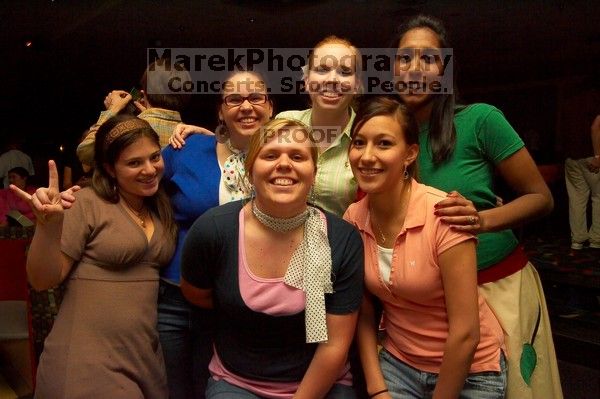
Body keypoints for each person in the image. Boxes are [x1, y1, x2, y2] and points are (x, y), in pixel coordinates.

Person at [391, 15, 561, 398]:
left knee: (517, 389)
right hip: (429, 304)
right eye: (404, 59)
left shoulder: (480, 119)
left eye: (428, 58)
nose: (414, 69)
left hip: (498, 286)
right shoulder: (389, 136)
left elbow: (541, 198)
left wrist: (480, 219)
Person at [180, 118, 364, 398]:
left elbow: (335, 346)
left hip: (323, 382)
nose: (284, 164)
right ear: (250, 169)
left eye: (298, 156)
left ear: (314, 173)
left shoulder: (342, 239)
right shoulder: (213, 230)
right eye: (270, 155)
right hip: (237, 382)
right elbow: (198, 295)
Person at [345, 96, 506, 399]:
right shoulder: (353, 218)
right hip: (399, 364)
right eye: (358, 142)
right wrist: (377, 388)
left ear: (409, 154)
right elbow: (363, 314)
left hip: (470, 371)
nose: (366, 156)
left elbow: (466, 333)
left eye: (383, 144)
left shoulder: (444, 214)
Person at [12, 115, 177, 398]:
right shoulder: (87, 203)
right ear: (111, 169)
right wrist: (47, 227)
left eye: (154, 157)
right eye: (134, 163)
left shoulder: (160, 208)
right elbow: (41, 280)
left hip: (144, 359)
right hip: (86, 361)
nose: (150, 169)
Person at [159, 69, 273, 399]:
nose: (246, 106)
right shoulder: (188, 149)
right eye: (234, 99)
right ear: (221, 110)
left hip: (237, 305)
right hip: (174, 300)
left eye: (255, 97)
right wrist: (83, 194)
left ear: (270, 107)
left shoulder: (283, 158)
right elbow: (137, 180)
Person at [272, 35, 361, 217]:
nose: (332, 79)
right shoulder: (285, 123)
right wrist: (206, 139)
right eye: (322, 70)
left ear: (357, 85)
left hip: (341, 242)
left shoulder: (365, 136)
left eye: (344, 72)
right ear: (306, 80)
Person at [77, 58, 191, 165]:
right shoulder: (192, 135)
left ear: (143, 93)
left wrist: (112, 110)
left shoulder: (127, 129)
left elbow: (85, 152)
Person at [565, 114, 600, 250]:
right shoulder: (595, 100)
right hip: (591, 157)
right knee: (598, 197)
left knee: (576, 199)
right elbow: (595, 126)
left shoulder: (570, 102)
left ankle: (577, 240)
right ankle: (596, 240)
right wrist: (598, 156)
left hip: (571, 157)